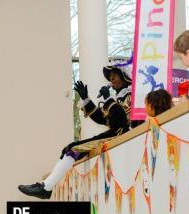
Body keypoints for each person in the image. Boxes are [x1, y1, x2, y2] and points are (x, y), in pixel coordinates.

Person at [18, 65, 142, 199]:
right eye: (110, 78)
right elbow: (103, 119)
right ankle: (45, 186)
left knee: (75, 148)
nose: (111, 81)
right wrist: (86, 99)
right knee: (71, 147)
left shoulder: (131, 95)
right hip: (114, 133)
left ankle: (46, 187)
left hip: (120, 135)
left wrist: (108, 99)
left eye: (114, 77)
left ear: (124, 77)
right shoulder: (118, 98)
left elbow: (120, 122)